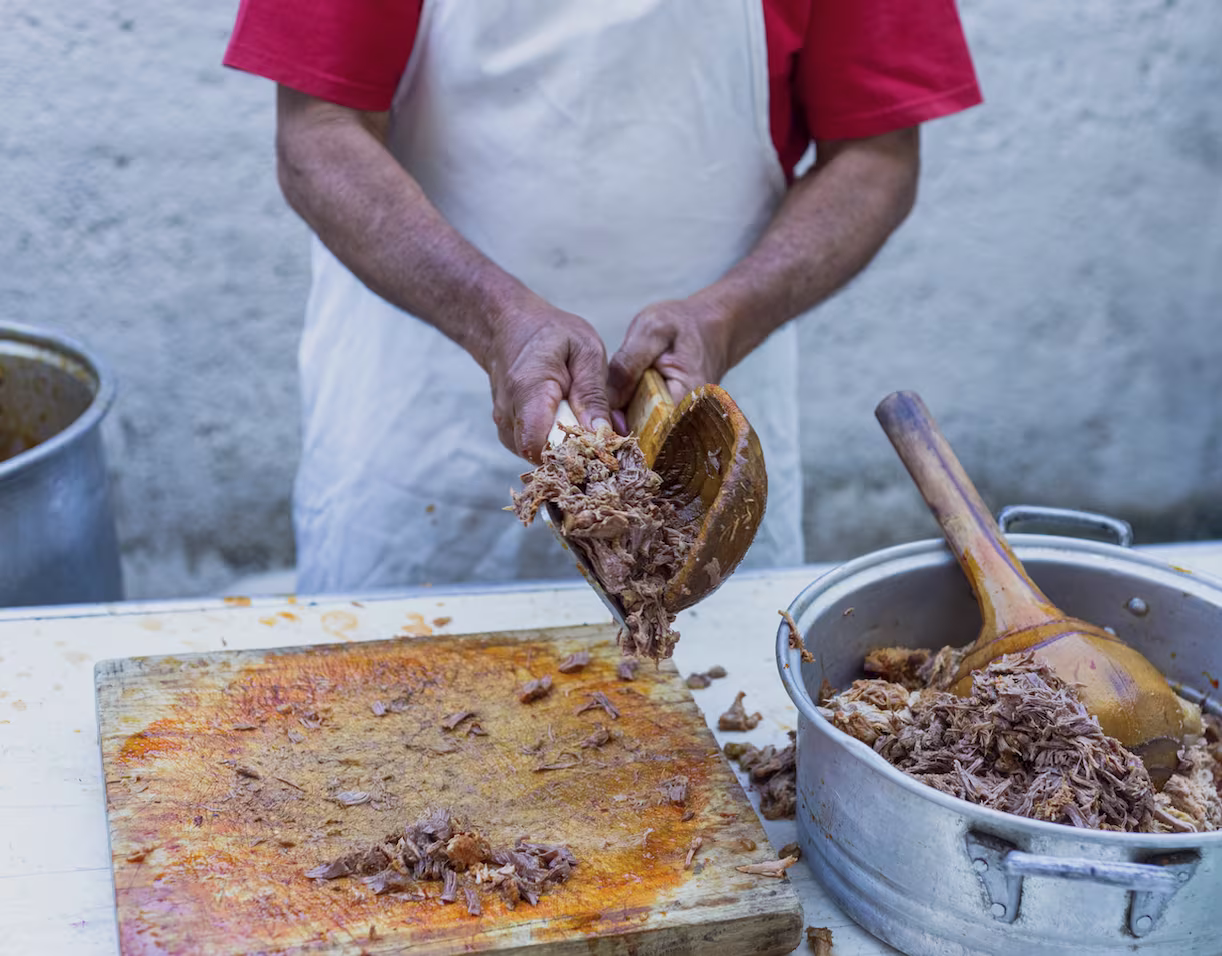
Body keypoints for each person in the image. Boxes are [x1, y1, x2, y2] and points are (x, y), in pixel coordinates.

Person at [224, 1, 981, 594]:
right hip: (420, 433)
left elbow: (877, 155)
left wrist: (728, 315)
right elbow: (318, 134)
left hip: (702, 448)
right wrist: (496, 324)